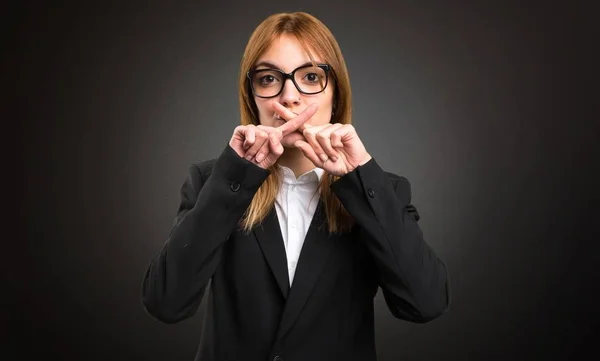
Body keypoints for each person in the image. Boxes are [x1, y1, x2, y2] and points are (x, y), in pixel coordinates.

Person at [141, 11, 450, 361]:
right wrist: (234, 176)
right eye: (270, 78)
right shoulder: (211, 182)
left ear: (336, 95)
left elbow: (426, 304)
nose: (289, 97)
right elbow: (166, 303)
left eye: (311, 76)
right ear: (252, 98)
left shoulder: (383, 190)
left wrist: (360, 174)